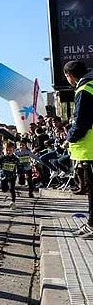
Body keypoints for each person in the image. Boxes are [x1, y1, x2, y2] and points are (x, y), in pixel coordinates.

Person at [64, 60, 93, 237]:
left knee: (92, 189)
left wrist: (69, 138)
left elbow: (81, 123)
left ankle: (92, 225)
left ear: (70, 75)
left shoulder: (84, 90)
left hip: (89, 148)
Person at [0, 141, 19, 210]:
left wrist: (22, 174)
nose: (8, 152)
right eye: (7, 150)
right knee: (4, 189)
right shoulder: (2, 158)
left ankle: (13, 202)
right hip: (3, 176)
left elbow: (19, 166)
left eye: (10, 150)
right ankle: (6, 188)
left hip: (12, 176)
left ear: (13, 150)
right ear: (3, 150)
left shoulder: (15, 158)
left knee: (12, 189)